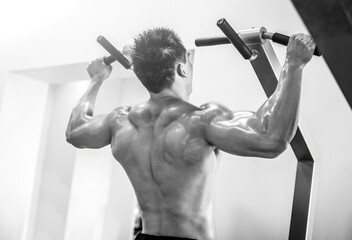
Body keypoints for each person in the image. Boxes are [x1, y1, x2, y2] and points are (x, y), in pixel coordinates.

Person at [65, 27, 316, 240]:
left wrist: (96, 79)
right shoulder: (201, 120)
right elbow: (272, 138)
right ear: (182, 67)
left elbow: (75, 131)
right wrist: (294, 64)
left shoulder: (120, 122)